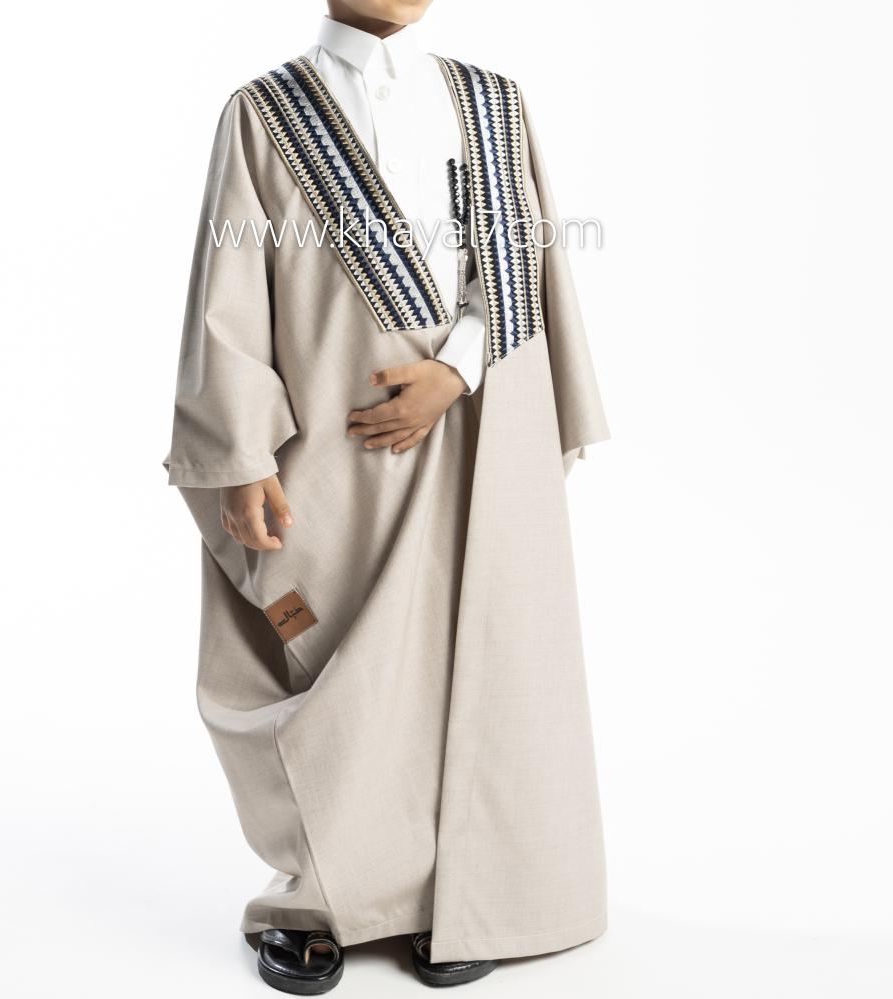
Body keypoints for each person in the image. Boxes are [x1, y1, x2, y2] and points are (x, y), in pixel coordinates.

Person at [165, 0, 610, 991]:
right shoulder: (266, 112)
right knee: (333, 657)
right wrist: (239, 454)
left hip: (480, 427)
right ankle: (320, 898)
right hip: (334, 449)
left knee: (483, 651)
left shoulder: (491, 103)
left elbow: (518, 261)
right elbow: (228, 291)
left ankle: (479, 893)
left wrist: (456, 368)